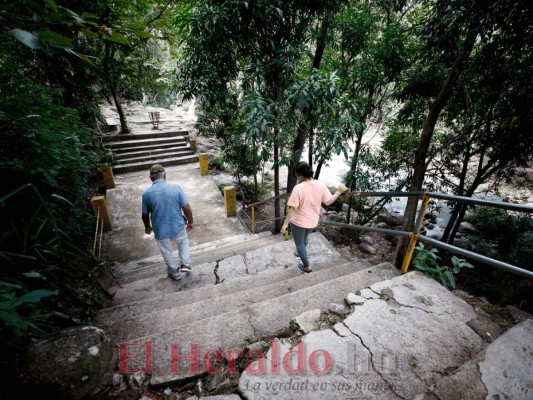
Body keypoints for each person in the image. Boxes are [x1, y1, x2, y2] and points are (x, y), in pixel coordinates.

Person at [281, 161, 348, 273]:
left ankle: (306, 266)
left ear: (300, 175)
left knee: (299, 243)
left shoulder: (298, 188)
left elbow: (292, 209)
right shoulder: (321, 185)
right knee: (304, 239)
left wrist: (285, 224)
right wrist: (339, 191)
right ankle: (300, 252)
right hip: (312, 221)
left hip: (299, 222)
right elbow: (328, 201)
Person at [141, 164, 194, 281]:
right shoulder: (176, 188)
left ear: (150, 178)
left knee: (166, 250)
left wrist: (147, 227)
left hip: (160, 229)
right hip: (178, 225)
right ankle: (185, 263)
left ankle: (174, 273)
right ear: (165, 175)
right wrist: (190, 221)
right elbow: (186, 207)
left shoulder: (146, 194)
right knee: (183, 241)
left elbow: (145, 214)